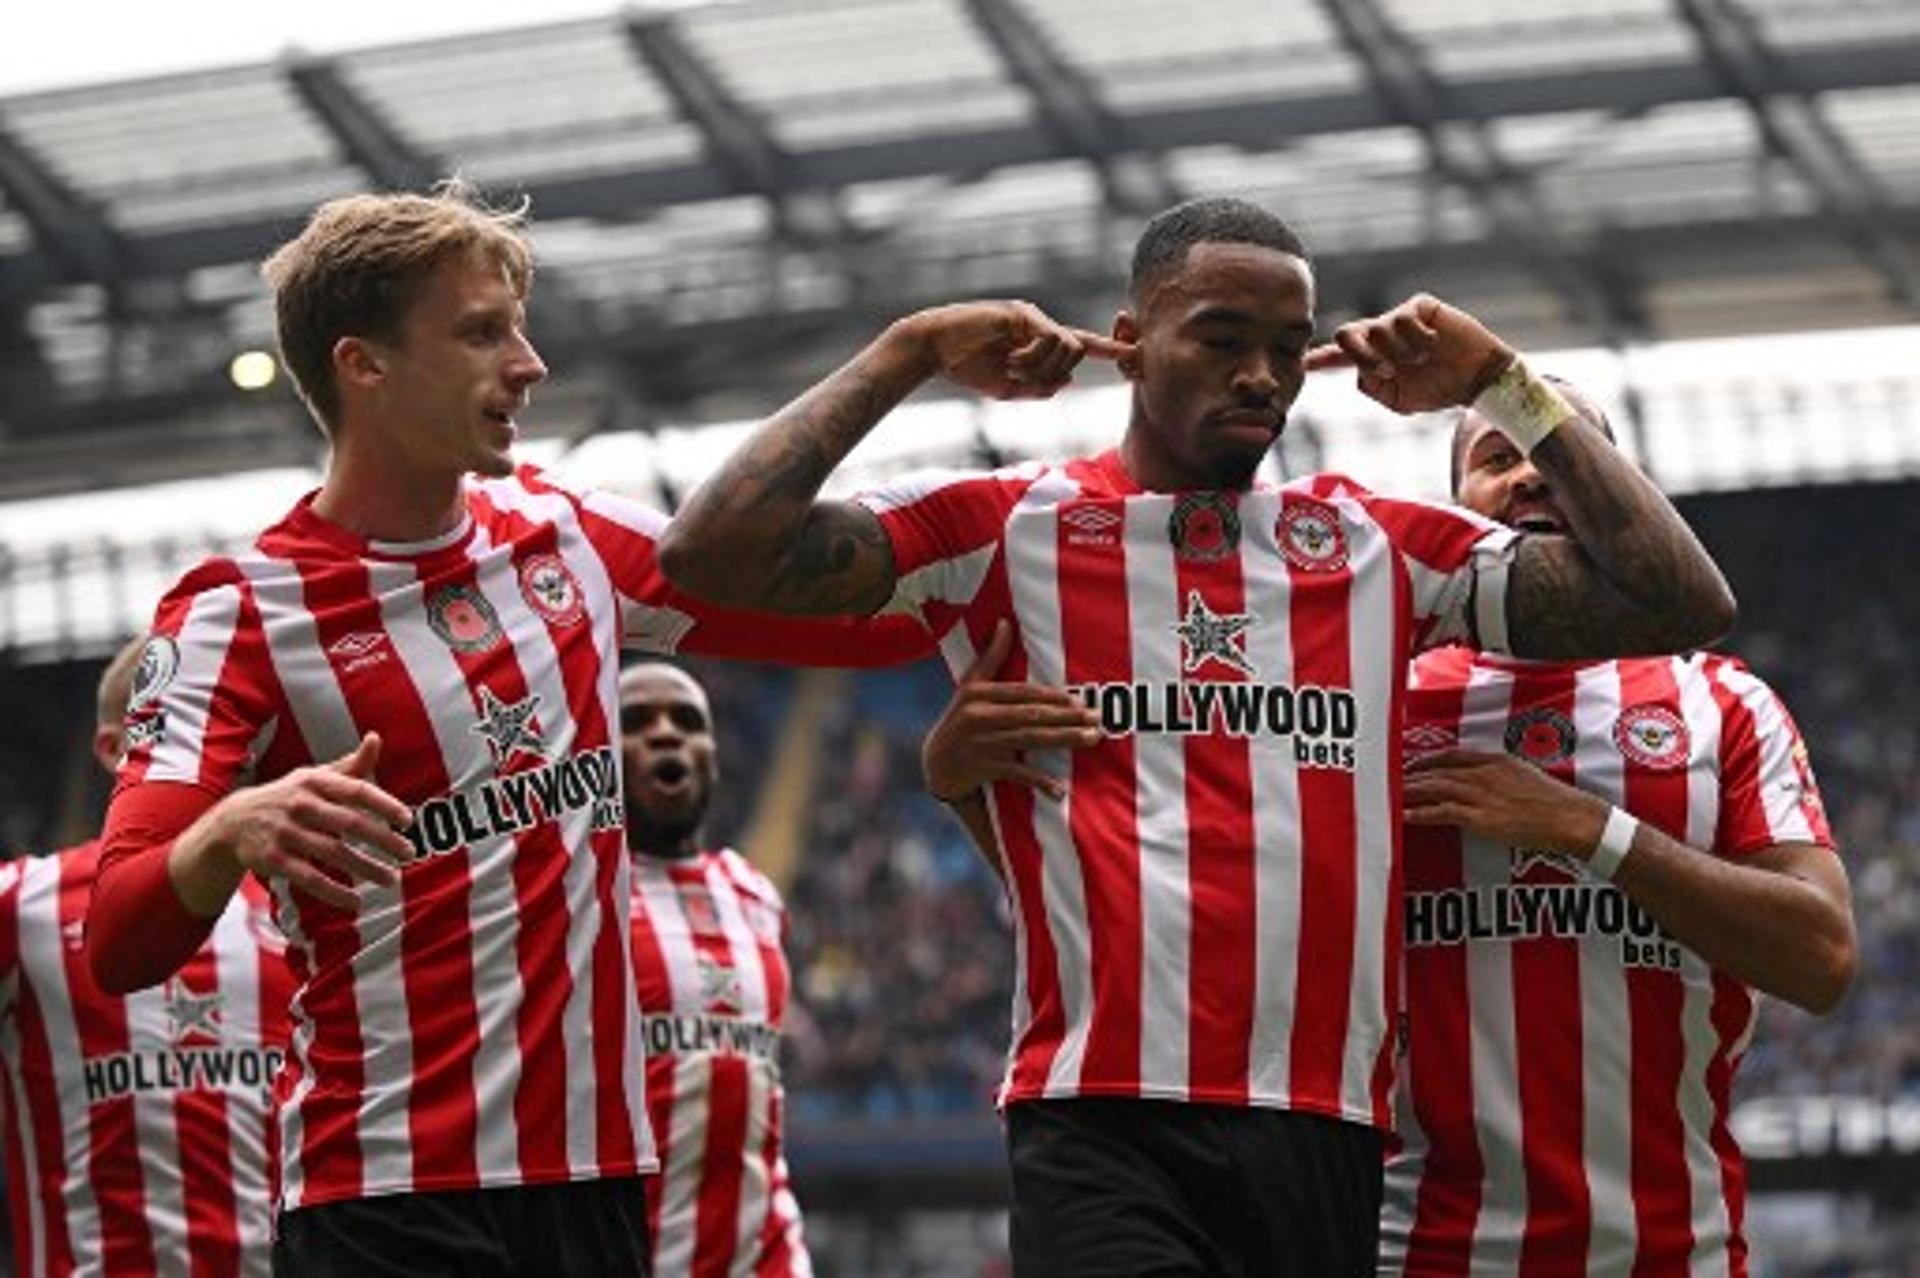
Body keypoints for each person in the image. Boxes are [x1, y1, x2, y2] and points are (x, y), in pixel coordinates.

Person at [655, 195, 1738, 1273]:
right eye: (1221, 339)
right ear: (1129, 346)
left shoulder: (1374, 546)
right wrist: (911, 350)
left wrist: (1503, 377)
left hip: (1324, 1127)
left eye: (1285, 346)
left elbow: (1678, 603)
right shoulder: (1002, 528)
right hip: (1101, 1119)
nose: (1260, 376)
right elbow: (711, 554)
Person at [82, 181, 932, 1275]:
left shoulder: (569, 534)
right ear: (364, 365)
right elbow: (117, 936)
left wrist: (1012, 556)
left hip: (596, 1193)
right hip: (386, 1200)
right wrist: (228, 829)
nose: (528, 363)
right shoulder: (235, 616)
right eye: (483, 333)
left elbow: (837, 614)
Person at [1378, 390, 1855, 1274]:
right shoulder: (1374, 699)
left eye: (1560, 456)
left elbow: (1821, 956)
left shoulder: (1719, 704)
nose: (1528, 472)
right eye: (1495, 458)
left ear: (1616, 489)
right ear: (1454, 510)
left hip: (1675, 1253)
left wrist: (1591, 831)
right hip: (1420, 1254)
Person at [2, 636, 293, 1276]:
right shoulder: (26, 903)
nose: (208, 749)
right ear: (114, 750)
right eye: (183, 725)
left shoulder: (302, 905)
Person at [618, 661, 813, 1277]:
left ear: (713, 757)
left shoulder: (755, 895)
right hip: (629, 1250)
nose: (667, 733)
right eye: (636, 721)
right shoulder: (580, 898)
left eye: (688, 721)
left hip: (765, 1253)